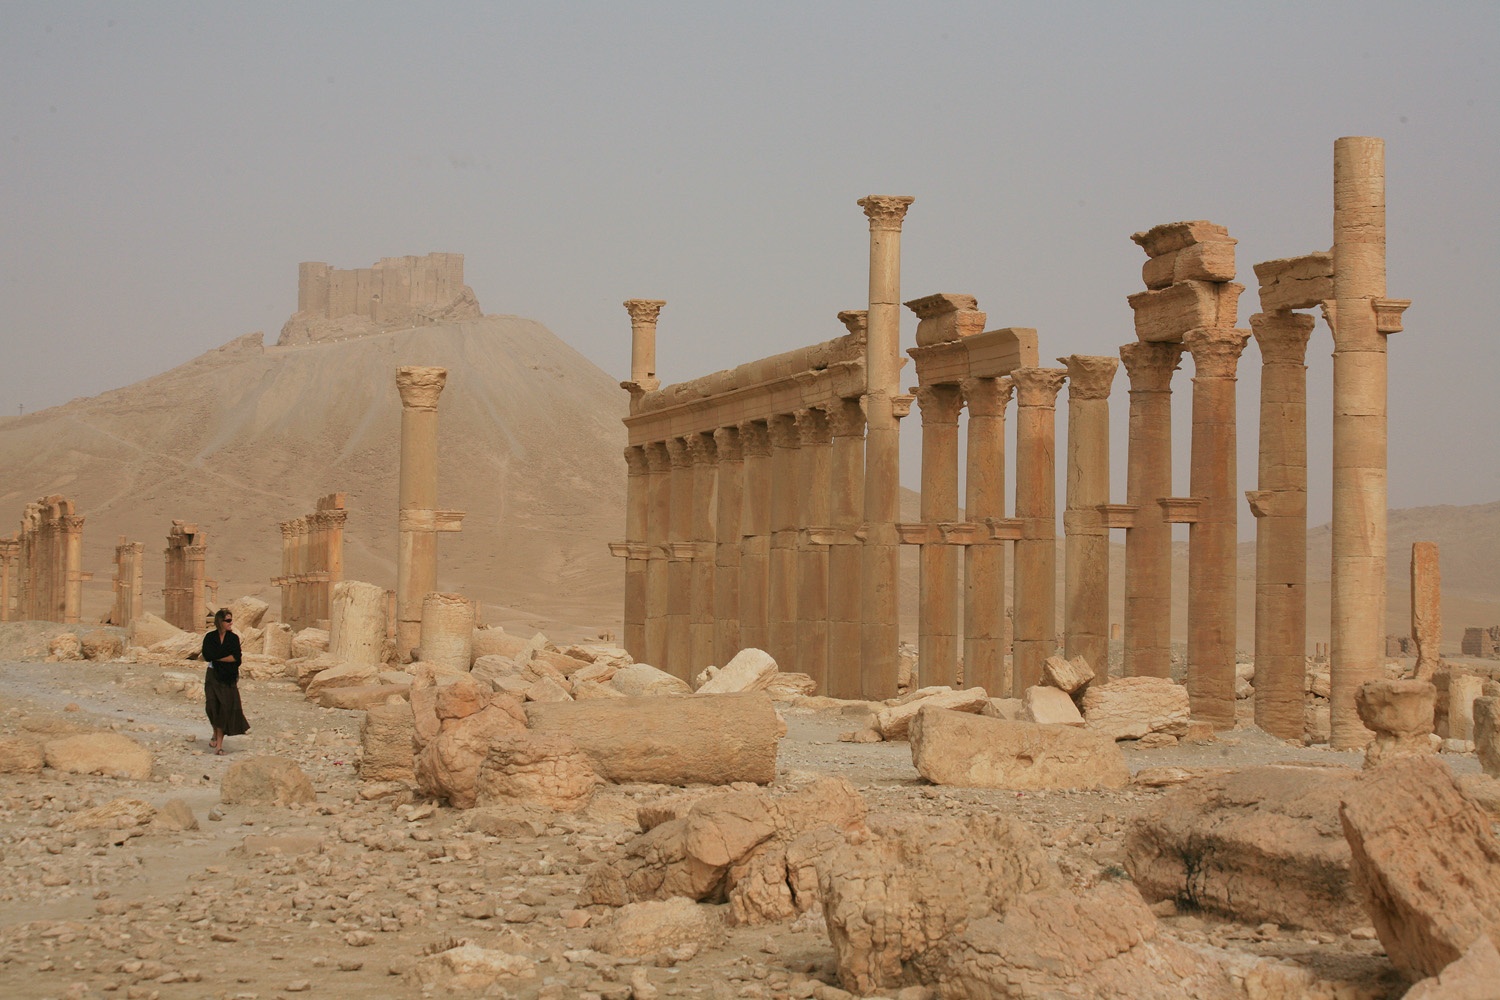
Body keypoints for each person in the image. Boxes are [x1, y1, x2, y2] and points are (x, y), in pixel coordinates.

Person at [201, 608, 249, 754]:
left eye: (231, 620)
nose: (231, 623)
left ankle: (219, 746)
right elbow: (207, 655)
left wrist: (217, 656)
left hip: (228, 678)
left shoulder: (233, 638)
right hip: (212, 675)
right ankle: (215, 731)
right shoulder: (210, 637)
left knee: (224, 708)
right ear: (220, 622)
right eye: (228, 620)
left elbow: (236, 658)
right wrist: (224, 656)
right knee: (211, 705)